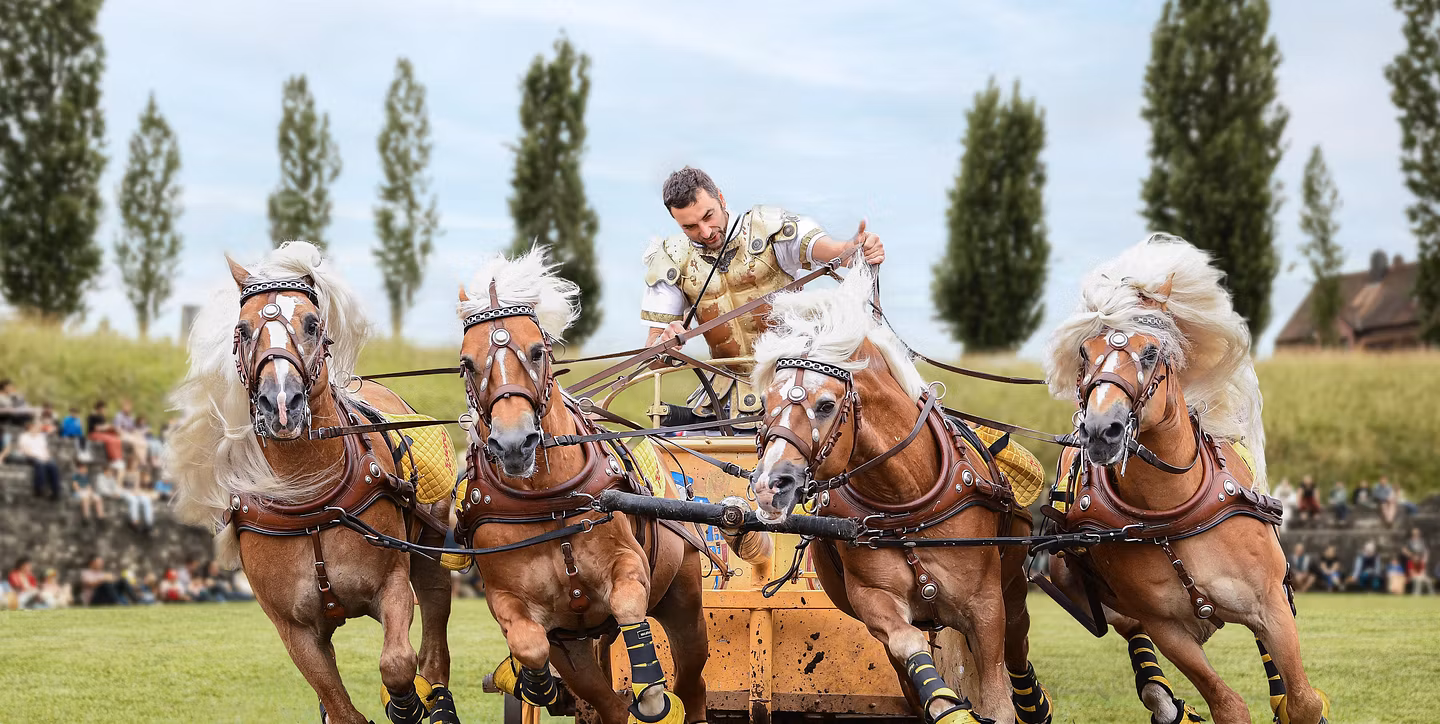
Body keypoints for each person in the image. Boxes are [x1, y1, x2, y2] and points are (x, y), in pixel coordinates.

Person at [639, 167, 884, 424]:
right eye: (690, 226)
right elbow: (654, 355)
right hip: (720, 400)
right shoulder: (672, 257)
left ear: (720, 198)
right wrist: (665, 344)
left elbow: (835, 252)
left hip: (791, 387)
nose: (706, 232)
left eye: (708, 216)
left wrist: (855, 249)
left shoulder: (770, 228)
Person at [3, 419, 60, 500]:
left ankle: (55, 492)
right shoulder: (24, 436)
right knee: (40, 464)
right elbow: (25, 450)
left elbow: (45, 449)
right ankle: (39, 490)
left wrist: (48, 457)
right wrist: (38, 457)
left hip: (42, 456)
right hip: (30, 456)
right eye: (36, 427)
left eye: (39, 428)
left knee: (53, 465)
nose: (38, 429)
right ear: (31, 427)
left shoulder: (41, 437)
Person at [1403, 528, 1433, 595]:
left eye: (1417, 533)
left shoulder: (1422, 542)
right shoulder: (1409, 541)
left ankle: (1431, 594)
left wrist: (1425, 558)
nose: (1416, 535)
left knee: (1425, 579)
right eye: (1414, 534)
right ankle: (1416, 593)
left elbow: (1426, 551)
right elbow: (1404, 550)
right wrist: (1411, 555)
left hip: (1420, 560)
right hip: (1413, 561)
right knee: (1417, 579)